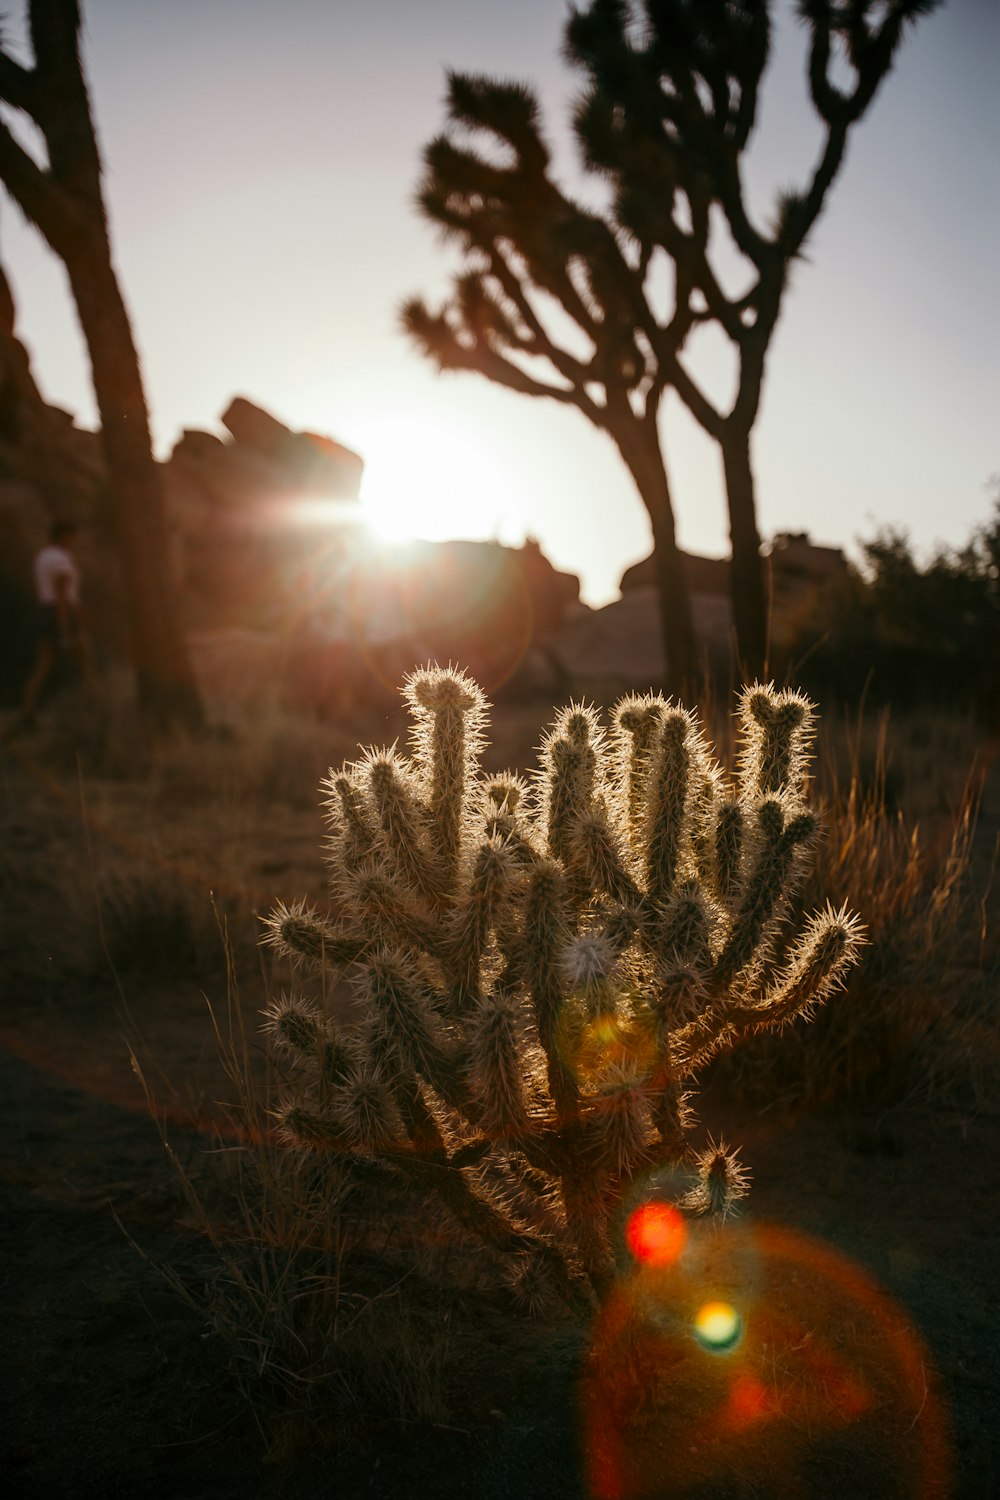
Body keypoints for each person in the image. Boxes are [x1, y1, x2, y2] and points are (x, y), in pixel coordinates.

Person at [18, 519, 95, 727]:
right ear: (63, 536)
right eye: (72, 536)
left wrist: (79, 609)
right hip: (60, 613)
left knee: (43, 663)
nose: (75, 541)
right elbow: (61, 594)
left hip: (45, 610)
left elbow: (56, 592)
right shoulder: (61, 559)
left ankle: (28, 709)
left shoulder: (43, 556)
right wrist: (64, 626)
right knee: (85, 659)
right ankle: (93, 704)